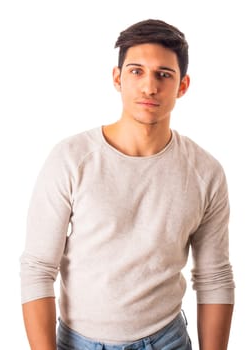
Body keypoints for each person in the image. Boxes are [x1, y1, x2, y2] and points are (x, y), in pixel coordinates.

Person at [20, 19, 235, 350]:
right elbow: (37, 269)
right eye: (136, 71)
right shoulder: (71, 158)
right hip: (78, 343)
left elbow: (214, 278)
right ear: (117, 79)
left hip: (167, 341)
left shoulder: (205, 172)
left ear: (183, 85)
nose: (149, 87)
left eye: (164, 74)